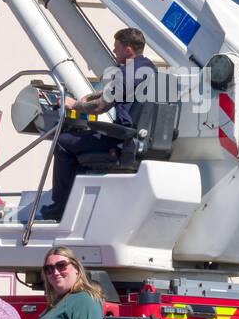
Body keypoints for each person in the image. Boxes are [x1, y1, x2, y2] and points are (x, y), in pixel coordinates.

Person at [39, 27, 155, 221]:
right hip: (134, 137)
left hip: (121, 141)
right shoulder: (147, 68)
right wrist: (88, 96)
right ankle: (73, 200)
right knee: (79, 138)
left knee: (63, 141)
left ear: (128, 50)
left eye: (116, 47)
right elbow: (113, 90)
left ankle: (60, 206)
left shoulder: (129, 71)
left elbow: (100, 107)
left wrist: (75, 105)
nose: (113, 50)